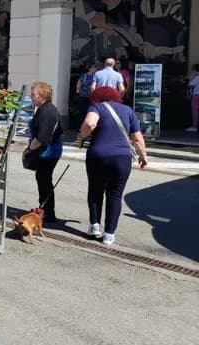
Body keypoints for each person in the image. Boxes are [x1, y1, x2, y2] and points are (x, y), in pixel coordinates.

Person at [77, 87, 148, 245]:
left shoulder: (96, 107)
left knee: (95, 190)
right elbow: (137, 138)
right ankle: (109, 235)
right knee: (115, 195)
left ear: (97, 97)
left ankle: (94, 227)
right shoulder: (128, 110)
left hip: (98, 156)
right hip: (122, 158)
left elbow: (90, 123)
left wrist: (81, 135)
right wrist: (143, 156)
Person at [24, 81, 63, 223]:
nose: (31, 96)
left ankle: (47, 212)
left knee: (44, 180)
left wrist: (29, 149)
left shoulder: (47, 111)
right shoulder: (43, 109)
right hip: (48, 150)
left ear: (43, 95)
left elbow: (41, 137)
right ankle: (45, 209)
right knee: (43, 179)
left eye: (33, 94)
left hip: (49, 152)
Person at [187, 64, 199, 132]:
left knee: (195, 111)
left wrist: (192, 76)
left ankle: (195, 127)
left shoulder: (197, 77)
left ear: (195, 70)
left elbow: (190, 85)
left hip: (196, 96)